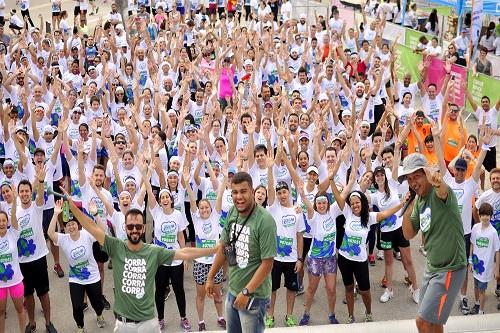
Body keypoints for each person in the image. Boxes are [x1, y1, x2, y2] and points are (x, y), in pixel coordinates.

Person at [63, 188, 220, 332]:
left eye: (138, 227)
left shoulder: (153, 251)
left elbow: (184, 252)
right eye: (130, 227)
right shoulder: (116, 246)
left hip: (148, 323)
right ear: (125, 228)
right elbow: (92, 227)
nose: (134, 230)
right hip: (123, 324)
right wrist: (73, 208)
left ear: (144, 228)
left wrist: (213, 250)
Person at [401, 153, 467, 333]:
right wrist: (406, 209)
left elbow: (442, 190)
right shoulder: (419, 201)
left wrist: (437, 181)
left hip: (450, 269)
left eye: (417, 176)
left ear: (426, 174)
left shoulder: (440, 192)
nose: (413, 182)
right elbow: (408, 234)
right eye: (409, 179)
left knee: (422, 322)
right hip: (432, 269)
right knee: (434, 323)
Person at [206, 172, 277, 333]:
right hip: (233, 291)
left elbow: (267, 264)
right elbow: (224, 247)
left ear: (252, 191)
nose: (239, 197)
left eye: (243, 191)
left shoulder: (265, 221)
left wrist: (246, 292)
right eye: (235, 192)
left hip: (254, 297)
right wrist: (211, 276)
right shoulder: (232, 212)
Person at [47, 199, 105, 333]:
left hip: (92, 275)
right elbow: (50, 234)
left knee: (98, 303)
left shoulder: (87, 234)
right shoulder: (64, 239)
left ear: (78, 225)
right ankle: (80, 326)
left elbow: (102, 230)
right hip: (76, 277)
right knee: (77, 306)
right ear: (65, 228)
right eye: (68, 225)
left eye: (74, 224)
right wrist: (56, 214)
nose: (71, 227)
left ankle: (99, 314)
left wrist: (96, 215)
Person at [0, 188, 25, 333]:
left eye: (4, 220)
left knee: (20, 309)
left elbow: (14, 215)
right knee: (1, 312)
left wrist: (15, 199)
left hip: (15, 281)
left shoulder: (13, 233)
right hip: (0, 285)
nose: (1, 223)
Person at [469, 203, 499, 315]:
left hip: (486, 268)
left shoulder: (493, 232)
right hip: (476, 265)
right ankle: (477, 304)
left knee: (482, 289)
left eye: (487, 215)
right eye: (483, 215)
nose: (485, 217)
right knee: (476, 286)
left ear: (491, 216)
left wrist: (497, 268)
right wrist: (470, 261)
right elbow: (472, 245)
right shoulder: (475, 228)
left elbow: (497, 251)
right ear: (479, 215)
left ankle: (481, 311)